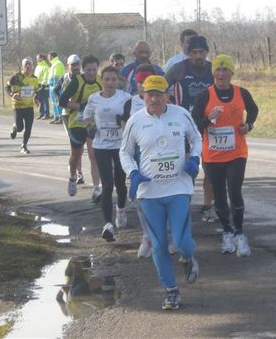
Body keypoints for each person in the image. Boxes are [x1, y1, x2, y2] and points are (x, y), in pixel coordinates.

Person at [120, 75, 202, 310]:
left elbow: (197, 139)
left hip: (178, 188)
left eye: (159, 94)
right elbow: (124, 152)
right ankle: (171, 290)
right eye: (149, 94)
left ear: (168, 95)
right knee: (158, 244)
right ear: (143, 96)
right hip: (149, 192)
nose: (154, 98)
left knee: (182, 242)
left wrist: (195, 158)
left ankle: (187, 257)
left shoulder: (181, 114)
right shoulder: (136, 121)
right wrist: (133, 173)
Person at [192, 55, 258, 257]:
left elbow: (253, 110)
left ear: (231, 73)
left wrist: (248, 125)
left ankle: (239, 233)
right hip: (212, 155)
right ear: (213, 74)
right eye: (218, 71)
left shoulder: (241, 93)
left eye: (225, 70)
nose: (221, 74)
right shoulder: (205, 95)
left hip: (237, 152)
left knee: (235, 191)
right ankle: (227, 232)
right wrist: (209, 118)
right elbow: (194, 124)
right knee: (220, 195)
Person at [165, 35, 217, 223]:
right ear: (188, 53)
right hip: (184, 126)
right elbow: (161, 89)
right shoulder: (178, 69)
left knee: (210, 170)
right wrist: (169, 109)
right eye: (194, 52)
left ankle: (207, 206)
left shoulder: (213, 70)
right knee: (187, 169)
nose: (197, 56)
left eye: (201, 52)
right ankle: (183, 205)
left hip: (209, 125)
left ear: (206, 53)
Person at [83, 65, 131, 242]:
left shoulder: (126, 97)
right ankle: (108, 225)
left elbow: (131, 117)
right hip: (101, 145)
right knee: (107, 184)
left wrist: (123, 121)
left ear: (118, 81)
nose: (110, 83)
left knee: (120, 182)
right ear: (101, 81)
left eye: (113, 79)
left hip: (120, 145)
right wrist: (90, 127)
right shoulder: (94, 98)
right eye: (107, 79)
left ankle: (120, 208)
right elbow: (86, 115)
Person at [121, 63, 158, 258]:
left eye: (148, 81)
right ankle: (147, 236)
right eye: (140, 82)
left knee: (165, 198)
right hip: (139, 158)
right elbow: (125, 132)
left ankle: (164, 236)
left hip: (161, 156)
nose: (144, 86)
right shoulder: (130, 102)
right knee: (141, 200)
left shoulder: (166, 101)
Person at [59, 55, 102, 200]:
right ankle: (72, 177)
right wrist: (80, 106)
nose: (91, 73)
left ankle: (96, 188)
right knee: (76, 156)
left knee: (93, 156)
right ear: (83, 69)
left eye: (94, 69)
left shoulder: (100, 81)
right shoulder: (77, 81)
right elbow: (62, 101)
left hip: (92, 124)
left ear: (97, 69)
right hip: (76, 123)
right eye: (88, 70)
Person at [54, 54, 84, 182]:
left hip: (82, 114)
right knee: (76, 144)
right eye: (72, 65)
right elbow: (55, 90)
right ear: (68, 66)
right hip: (67, 114)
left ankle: (76, 169)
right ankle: (78, 172)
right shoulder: (64, 78)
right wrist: (60, 99)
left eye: (77, 64)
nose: (75, 67)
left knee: (81, 146)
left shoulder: (84, 78)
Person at [5, 57, 40, 154]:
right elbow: (6, 87)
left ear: (32, 67)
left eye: (30, 64)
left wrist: (36, 99)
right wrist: (12, 94)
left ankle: (23, 145)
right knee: (20, 128)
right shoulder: (16, 77)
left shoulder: (34, 79)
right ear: (22, 66)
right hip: (18, 106)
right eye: (26, 65)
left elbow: (37, 91)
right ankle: (15, 127)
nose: (28, 66)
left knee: (28, 128)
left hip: (29, 107)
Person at [47, 51, 65, 124]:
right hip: (51, 86)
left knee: (58, 102)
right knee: (54, 102)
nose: (48, 58)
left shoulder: (58, 63)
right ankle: (56, 117)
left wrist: (55, 85)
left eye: (48, 56)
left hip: (56, 86)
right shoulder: (53, 64)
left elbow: (58, 76)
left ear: (52, 56)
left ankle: (61, 117)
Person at [34, 54, 50, 120]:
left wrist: (43, 85)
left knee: (45, 100)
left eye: (38, 58)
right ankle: (41, 113)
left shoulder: (45, 66)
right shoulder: (37, 66)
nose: (37, 59)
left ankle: (46, 114)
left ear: (42, 58)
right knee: (40, 99)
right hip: (37, 85)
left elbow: (46, 76)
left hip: (44, 85)